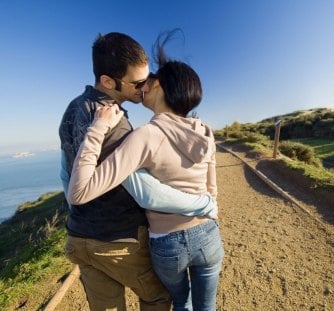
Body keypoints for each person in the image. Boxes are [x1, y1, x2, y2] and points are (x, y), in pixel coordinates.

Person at [59, 32, 217, 311]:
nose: (143, 87)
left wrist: (77, 220)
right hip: (119, 238)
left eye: (147, 81)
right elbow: (147, 194)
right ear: (108, 81)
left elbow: (64, 173)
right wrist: (205, 204)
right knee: (160, 298)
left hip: (79, 235)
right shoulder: (116, 125)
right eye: (137, 82)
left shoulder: (71, 110)